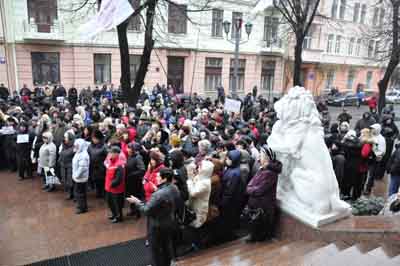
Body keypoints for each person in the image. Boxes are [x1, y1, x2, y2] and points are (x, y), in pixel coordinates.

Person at [127, 168, 180, 266]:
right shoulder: (174, 188)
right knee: (166, 247)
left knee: (156, 250)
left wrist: (137, 202)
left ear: (164, 179)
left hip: (157, 225)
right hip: (169, 221)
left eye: (159, 176)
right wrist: (157, 189)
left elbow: (146, 209)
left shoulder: (158, 195)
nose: (156, 177)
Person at [246, 145, 282, 242]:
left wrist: (249, 189)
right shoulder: (264, 168)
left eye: (261, 155)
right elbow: (252, 182)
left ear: (267, 158)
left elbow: (260, 189)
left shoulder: (270, 172)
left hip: (263, 204)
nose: (258, 157)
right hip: (259, 202)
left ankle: (259, 238)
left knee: (259, 222)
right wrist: (250, 187)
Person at [218, 149, 245, 241]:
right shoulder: (231, 168)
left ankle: (228, 236)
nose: (227, 160)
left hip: (230, 202)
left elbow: (229, 191)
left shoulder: (235, 173)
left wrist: (222, 202)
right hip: (229, 200)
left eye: (229, 159)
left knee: (228, 220)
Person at [186, 160, 214, 246]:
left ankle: (199, 244)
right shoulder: (201, 177)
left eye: (201, 167)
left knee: (198, 225)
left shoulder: (205, 182)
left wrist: (189, 181)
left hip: (200, 207)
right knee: (195, 224)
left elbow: (193, 192)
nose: (199, 168)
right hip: (196, 204)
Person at [104, 146, 126, 223]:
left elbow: (119, 179)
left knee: (117, 204)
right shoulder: (110, 162)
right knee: (110, 202)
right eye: (110, 152)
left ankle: (119, 217)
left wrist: (111, 184)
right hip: (109, 187)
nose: (110, 154)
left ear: (117, 154)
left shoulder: (120, 164)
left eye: (111, 153)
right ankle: (114, 214)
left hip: (116, 189)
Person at [365, 124, 386, 195]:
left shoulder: (381, 139)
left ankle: (368, 189)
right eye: (371, 128)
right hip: (367, 157)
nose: (372, 130)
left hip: (375, 158)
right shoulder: (371, 136)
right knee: (366, 173)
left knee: (371, 174)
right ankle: (366, 185)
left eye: (373, 129)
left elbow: (382, 150)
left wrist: (378, 154)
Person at [125, 143, 146, 218]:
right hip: (129, 180)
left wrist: (132, 174)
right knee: (130, 196)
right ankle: (132, 210)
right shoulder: (129, 156)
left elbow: (142, 169)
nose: (127, 150)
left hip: (135, 181)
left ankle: (138, 212)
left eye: (129, 148)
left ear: (133, 149)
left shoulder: (138, 157)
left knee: (136, 196)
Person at [88, 129, 108, 198]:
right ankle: (98, 192)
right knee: (95, 180)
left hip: (101, 167)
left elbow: (108, 156)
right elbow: (88, 153)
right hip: (93, 166)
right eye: (93, 138)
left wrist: (103, 164)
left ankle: (103, 193)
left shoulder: (104, 146)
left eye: (95, 138)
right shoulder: (90, 146)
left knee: (102, 181)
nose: (93, 140)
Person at [72, 138, 90, 214]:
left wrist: (76, 175)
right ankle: (83, 206)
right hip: (79, 177)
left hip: (81, 178)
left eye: (77, 146)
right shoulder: (79, 152)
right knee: (81, 193)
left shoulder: (83, 155)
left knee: (79, 193)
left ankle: (82, 207)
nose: (75, 147)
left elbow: (82, 168)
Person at [58, 132, 75, 200]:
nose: (64, 139)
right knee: (65, 180)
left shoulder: (74, 146)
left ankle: (74, 194)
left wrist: (63, 154)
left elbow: (66, 154)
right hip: (63, 165)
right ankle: (69, 193)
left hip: (70, 166)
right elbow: (61, 154)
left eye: (66, 137)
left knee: (71, 180)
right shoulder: (64, 145)